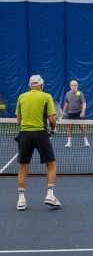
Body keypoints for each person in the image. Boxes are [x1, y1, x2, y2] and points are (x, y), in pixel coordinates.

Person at [15, 75, 61, 210]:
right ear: (42, 86)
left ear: (30, 86)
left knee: (23, 166)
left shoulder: (21, 97)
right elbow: (52, 120)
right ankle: (50, 195)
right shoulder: (46, 96)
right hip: (41, 134)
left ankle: (21, 200)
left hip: (24, 134)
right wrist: (53, 129)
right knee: (51, 164)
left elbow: (19, 121)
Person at [63, 80, 90, 147]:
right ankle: (69, 142)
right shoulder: (67, 94)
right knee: (70, 127)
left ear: (77, 86)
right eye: (72, 85)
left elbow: (84, 103)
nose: (73, 87)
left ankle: (86, 141)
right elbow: (66, 103)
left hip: (79, 113)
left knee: (82, 127)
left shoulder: (80, 93)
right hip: (70, 113)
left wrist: (83, 111)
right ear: (70, 86)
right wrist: (64, 112)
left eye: (75, 85)